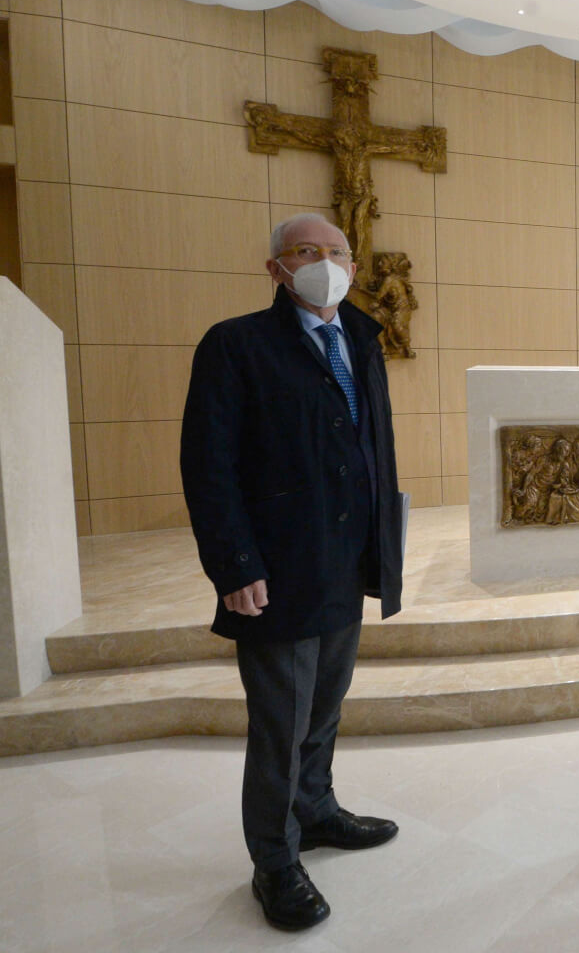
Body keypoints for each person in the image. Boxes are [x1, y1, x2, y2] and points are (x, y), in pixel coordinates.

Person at [180, 213, 405, 931]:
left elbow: (372, 447)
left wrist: (384, 547)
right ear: (276, 268)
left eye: (337, 252)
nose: (325, 262)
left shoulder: (362, 338)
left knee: (325, 704)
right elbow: (208, 465)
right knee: (281, 722)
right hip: (277, 567)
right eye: (307, 251)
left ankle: (315, 810)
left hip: (347, 560)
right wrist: (234, 563)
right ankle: (274, 861)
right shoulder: (236, 344)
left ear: (354, 268)